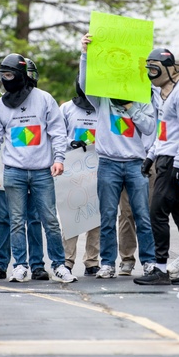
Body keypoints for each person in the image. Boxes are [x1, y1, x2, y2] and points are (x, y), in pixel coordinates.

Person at [0, 53, 76, 283]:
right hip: (13, 171)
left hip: (42, 171)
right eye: (3, 75)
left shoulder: (44, 99)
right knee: (17, 221)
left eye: (11, 74)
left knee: (49, 220)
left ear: (22, 75)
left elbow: (57, 131)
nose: (7, 79)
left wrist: (59, 159)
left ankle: (59, 265)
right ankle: (20, 266)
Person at [79, 35, 156, 279]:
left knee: (142, 216)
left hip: (135, 163)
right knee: (108, 216)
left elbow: (149, 128)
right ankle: (107, 263)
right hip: (109, 164)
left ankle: (150, 262)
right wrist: (85, 54)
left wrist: (131, 106)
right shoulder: (101, 98)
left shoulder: (143, 98)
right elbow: (84, 84)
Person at [134, 47, 179, 287]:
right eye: (149, 69)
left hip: (174, 159)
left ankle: (161, 268)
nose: (151, 74)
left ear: (167, 68)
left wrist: (178, 165)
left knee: (157, 212)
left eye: (154, 69)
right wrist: (150, 157)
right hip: (165, 157)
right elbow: (163, 131)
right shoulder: (165, 93)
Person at [60, 76, 101, 275]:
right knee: (71, 215)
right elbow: (57, 134)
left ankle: (92, 261)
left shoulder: (102, 108)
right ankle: (67, 261)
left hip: (97, 167)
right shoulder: (67, 108)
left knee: (95, 215)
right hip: (72, 167)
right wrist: (71, 143)